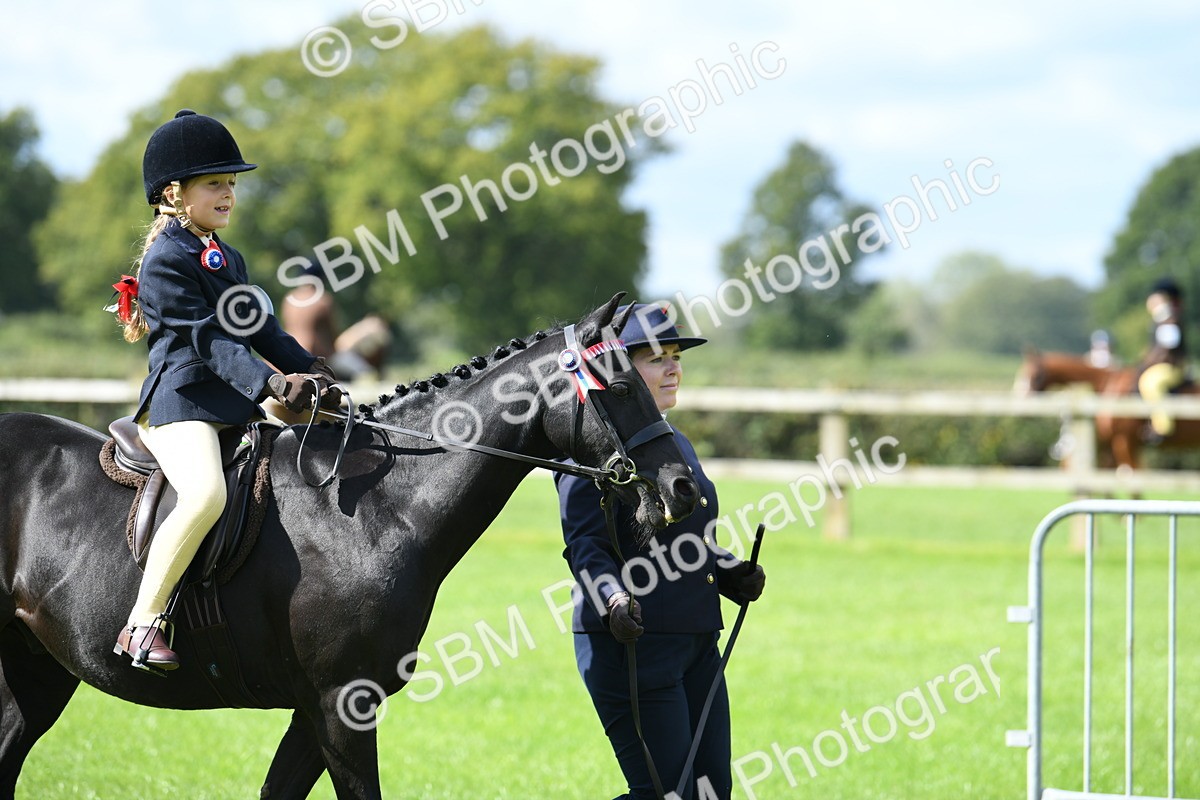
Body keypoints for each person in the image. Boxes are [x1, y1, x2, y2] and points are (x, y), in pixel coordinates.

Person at [109, 109, 339, 671]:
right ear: (173, 192)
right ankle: (141, 625)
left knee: (333, 437)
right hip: (181, 404)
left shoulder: (225, 257)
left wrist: (314, 370)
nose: (228, 193)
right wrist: (272, 383)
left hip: (231, 401)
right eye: (215, 183)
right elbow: (210, 342)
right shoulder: (166, 260)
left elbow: (260, 329)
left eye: (232, 184)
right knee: (207, 494)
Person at [554, 304, 766, 800]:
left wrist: (730, 569)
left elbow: (690, 539)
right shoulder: (591, 451)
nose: (673, 367)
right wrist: (611, 598)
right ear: (620, 373)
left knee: (712, 791)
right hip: (632, 643)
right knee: (665, 794)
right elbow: (586, 546)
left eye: (675, 356)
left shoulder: (675, 444)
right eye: (656, 359)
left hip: (696, 642)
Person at [1137, 277, 1188, 442]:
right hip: (1162, 365)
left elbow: (1167, 350)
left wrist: (1146, 364)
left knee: (1151, 383)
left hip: (1172, 367)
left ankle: (1162, 426)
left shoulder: (1169, 319)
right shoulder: (1161, 319)